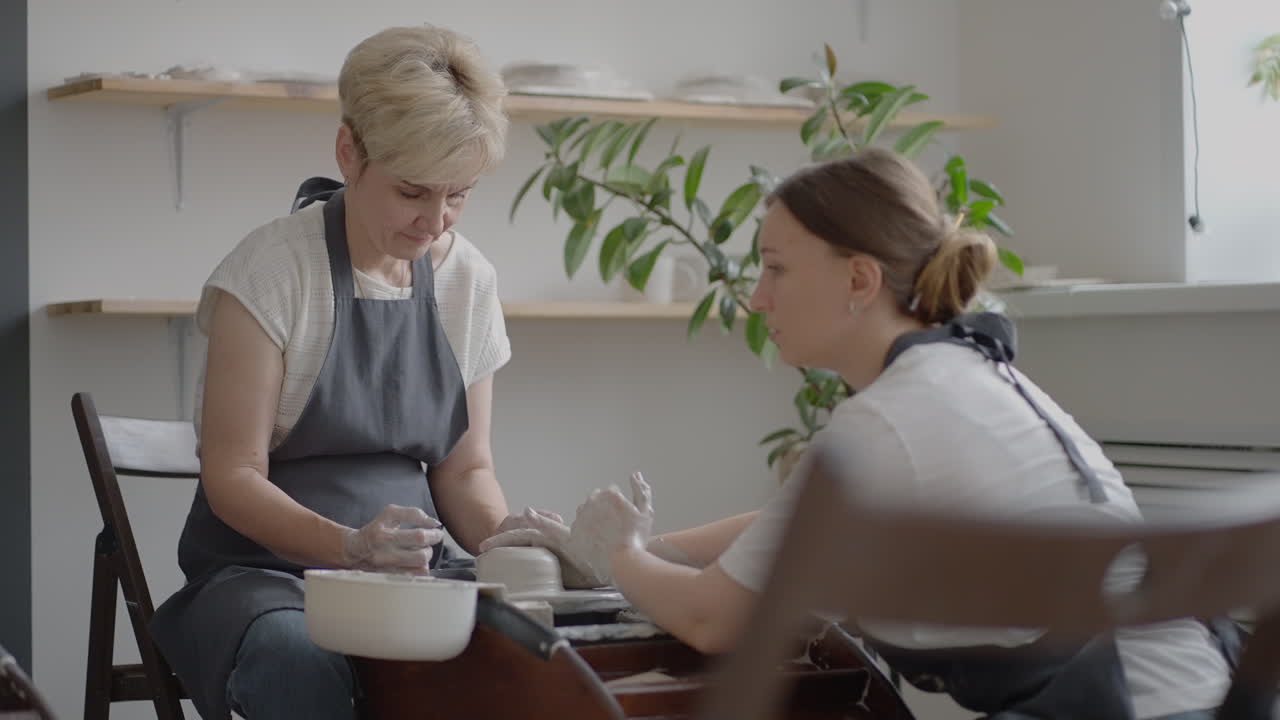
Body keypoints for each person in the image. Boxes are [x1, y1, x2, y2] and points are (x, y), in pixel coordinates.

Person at [483, 148, 1237, 719]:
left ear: (860, 280)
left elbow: (711, 618)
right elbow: (804, 528)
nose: (756, 295)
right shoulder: (963, 378)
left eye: (776, 268)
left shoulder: (885, 419)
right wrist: (664, 546)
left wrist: (621, 554)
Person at [150, 24, 542, 720]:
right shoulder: (272, 273)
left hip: (412, 577)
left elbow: (464, 472)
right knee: (300, 658)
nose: (434, 222)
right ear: (348, 153)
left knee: (526, 645)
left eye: (458, 194)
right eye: (413, 191)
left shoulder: (468, 280)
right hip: (265, 576)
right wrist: (348, 547)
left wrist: (516, 542)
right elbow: (233, 476)